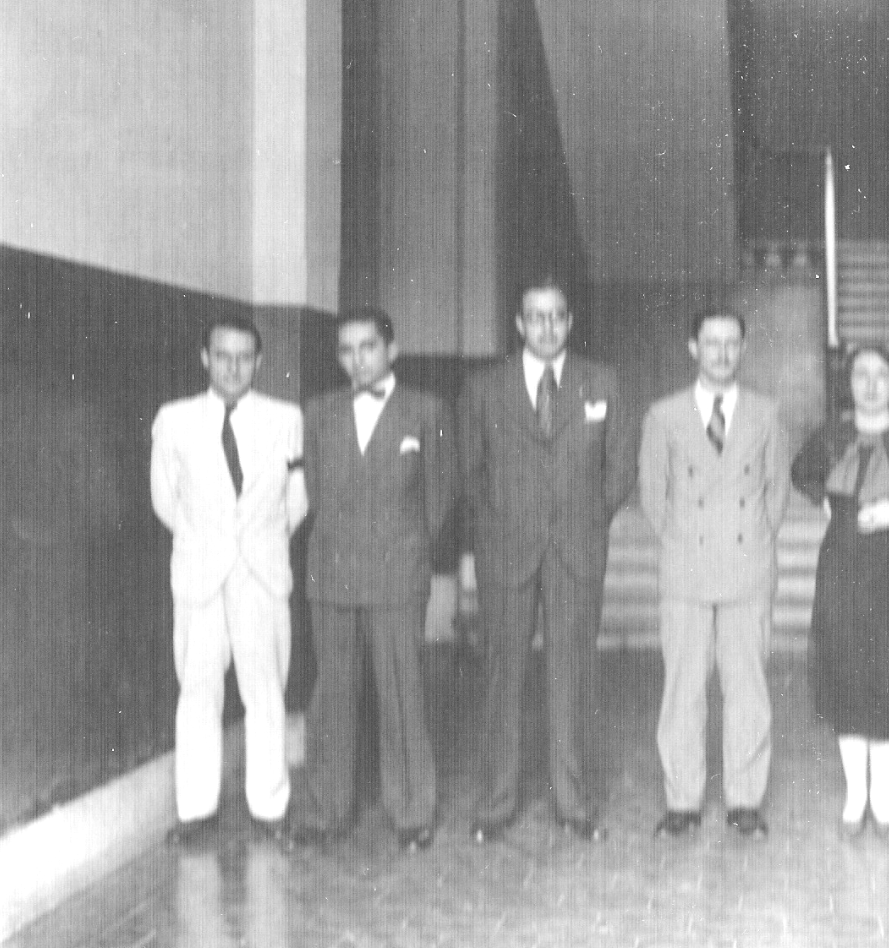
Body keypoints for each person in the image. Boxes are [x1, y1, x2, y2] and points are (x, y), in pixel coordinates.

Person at [461, 273, 638, 843]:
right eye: (535, 316)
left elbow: (620, 469)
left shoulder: (602, 382)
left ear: (570, 321)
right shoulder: (485, 387)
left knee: (573, 676)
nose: (546, 326)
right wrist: (495, 532)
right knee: (501, 677)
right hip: (506, 552)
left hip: (575, 552)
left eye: (556, 315)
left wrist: (589, 522)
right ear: (518, 324)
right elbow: (471, 472)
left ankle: (574, 802)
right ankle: (496, 803)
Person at [290, 308, 456, 852]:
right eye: (346, 350)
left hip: (396, 574)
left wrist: (407, 550)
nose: (357, 360)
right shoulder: (317, 412)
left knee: (401, 691)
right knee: (332, 694)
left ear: (392, 349)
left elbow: (439, 497)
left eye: (367, 347)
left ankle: (412, 810)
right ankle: (325, 811)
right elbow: (313, 491)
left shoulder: (425, 410)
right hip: (332, 574)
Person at [151, 318, 307, 849]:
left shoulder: (286, 419)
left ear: (259, 363)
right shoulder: (174, 420)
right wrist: (209, 541)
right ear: (205, 358)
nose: (233, 366)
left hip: (262, 574)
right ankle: (195, 809)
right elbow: (164, 500)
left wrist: (257, 541)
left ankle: (270, 806)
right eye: (222, 355)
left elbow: (297, 500)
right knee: (197, 691)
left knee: (266, 690)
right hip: (199, 575)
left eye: (244, 357)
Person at [639, 309, 791, 839]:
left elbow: (778, 492)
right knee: (683, 688)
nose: (722, 353)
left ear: (744, 349)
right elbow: (653, 497)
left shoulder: (767, 414)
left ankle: (744, 799)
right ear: (692, 347)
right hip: (686, 571)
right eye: (711, 343)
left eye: (732, 344)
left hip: (747, 568)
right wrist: (684, 543)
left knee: (747, 687)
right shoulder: (663, 416)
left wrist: (751, 539)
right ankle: (682, 799)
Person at [791, 344, 889, 843]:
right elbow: (802, 473)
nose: (871, 383)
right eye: (861, 373)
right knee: (845, 672)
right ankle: (853, 795)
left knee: (888, 675)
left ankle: (880, 795)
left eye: (881, 374)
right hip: (841, 565)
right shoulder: (831, 435)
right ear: (849, 383)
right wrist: (825, 501)